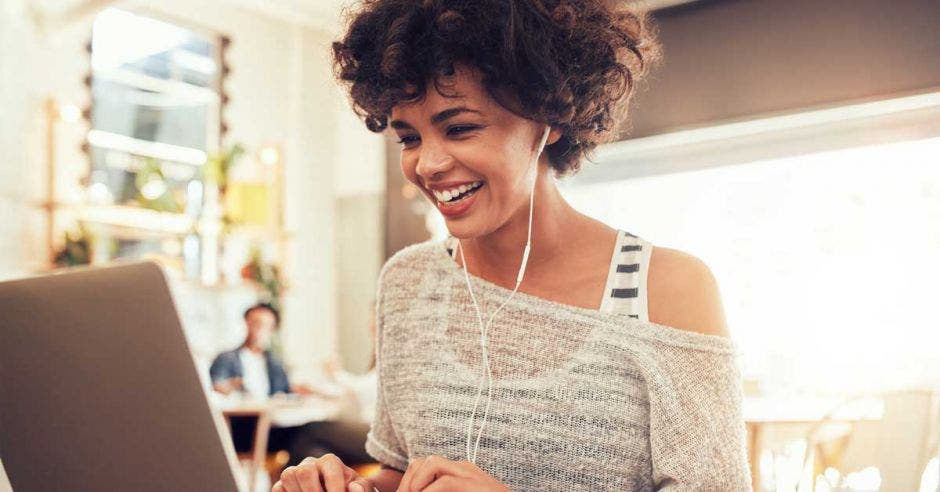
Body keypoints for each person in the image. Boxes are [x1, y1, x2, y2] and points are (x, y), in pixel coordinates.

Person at [275, 1, 751, 491]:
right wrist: (346, 486)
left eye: (459, 127)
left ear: (549, 117)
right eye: (409, 137)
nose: (428, 164)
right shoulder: (409, 282)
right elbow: (404, 473)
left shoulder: (666, 290)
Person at [209, 302, 316, 465]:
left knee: (309, 433)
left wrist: (304, 391)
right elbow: (215, 387)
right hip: (241, 428)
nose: (259, 330)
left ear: (272, 330)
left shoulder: (274, 362)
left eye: (266, 326)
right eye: (256, 323)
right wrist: (231, 386)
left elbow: (285, 391)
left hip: (272, 426)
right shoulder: (227, 358)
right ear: (246, 323)